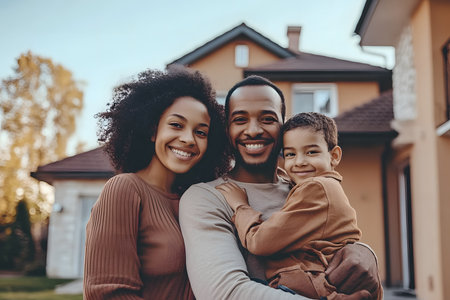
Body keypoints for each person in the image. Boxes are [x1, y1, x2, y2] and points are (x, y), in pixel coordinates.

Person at [179, 76, 381, 300]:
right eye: (240, 119)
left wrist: (365, 252)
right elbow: (226, 293)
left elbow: (335, 241)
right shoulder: (207, 197)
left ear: (282, 127)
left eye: (267, 118)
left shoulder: (304, 186)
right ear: (227, 130)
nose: (253, 130)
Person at [83, 66, 230, 300]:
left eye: (201, 132)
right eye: (176, 125)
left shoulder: (196, 199)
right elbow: (109, 293)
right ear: (152, 130)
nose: (188, 139)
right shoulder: (124, 190)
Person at [216, 112, 382, 299]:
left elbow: (259, 242)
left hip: (317, 285)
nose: (300, 162)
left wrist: (240, 206)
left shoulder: (317, 187)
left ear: (334, 156)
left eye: (311, 152)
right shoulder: (319, 186)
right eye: (290, 154)